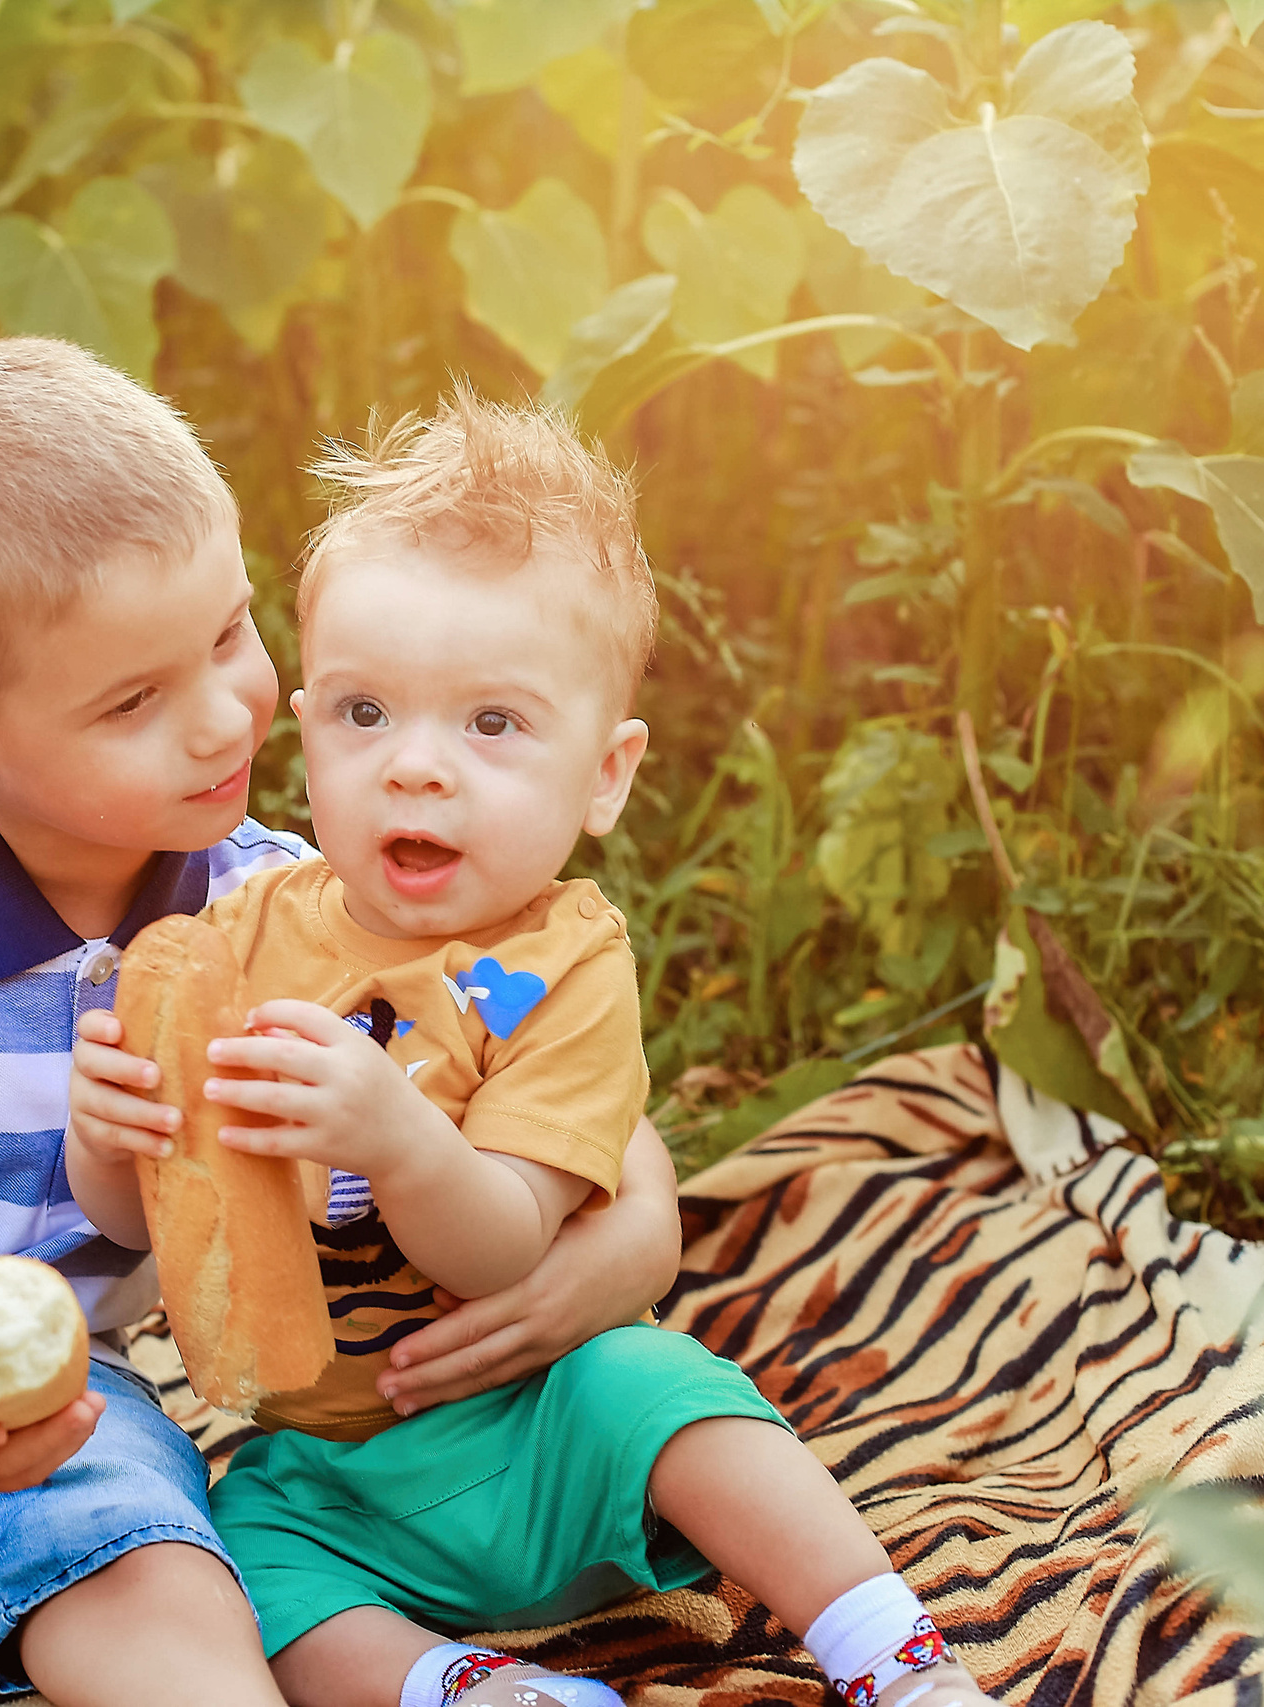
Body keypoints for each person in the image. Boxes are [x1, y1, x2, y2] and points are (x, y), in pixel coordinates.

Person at [0, 338, 687, 1707]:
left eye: (228, 633)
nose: (226, 718)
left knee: (178, 1622)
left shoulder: (289, 905)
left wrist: (616, 1256)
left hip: (66, 1394)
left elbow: (593, 1125)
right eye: (134, 701)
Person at [67, 390, 1005, 1707]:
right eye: (364, 712)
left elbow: (506, 1238)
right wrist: (107, 1134)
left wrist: (393, 1135)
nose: (417, 769)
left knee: (670, 1394)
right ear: (307, 724)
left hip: (544, 1424)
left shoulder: (562, 967)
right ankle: (474, 1689)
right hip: (337, 1467)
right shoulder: (239, 934)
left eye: (492, 724)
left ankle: (890, 1658)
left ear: (606, 775)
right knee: (251, 1574)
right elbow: (151, 1217)